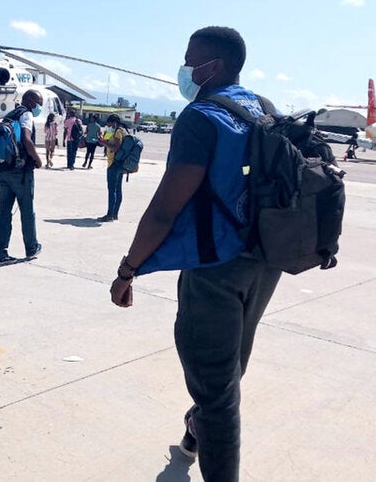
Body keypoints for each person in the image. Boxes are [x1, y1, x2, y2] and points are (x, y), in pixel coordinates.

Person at [109, 26, 282, 481]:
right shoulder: (264, 109)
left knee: (218, 394)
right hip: (264, 262)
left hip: (215, 270)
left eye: (191, 60)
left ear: (215, 66)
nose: (185, 69)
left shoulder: (201, 116)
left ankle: (205, 436)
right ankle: (193, 433)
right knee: (226, 373)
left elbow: (166, 208)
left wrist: (128, 270)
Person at [0, 89, 44, 263]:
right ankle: (31, 247)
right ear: (29, 101)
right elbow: (27, 139)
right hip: (20, 172)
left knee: (4, 211)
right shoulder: (26, 115)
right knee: (27, 210)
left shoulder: (9, 115)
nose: (39, 107)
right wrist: (37, 159)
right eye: (38, 103)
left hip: (3, 169)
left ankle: (0, 252)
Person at [97, 114, 128, 222]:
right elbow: (103, 142)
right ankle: (115, 214)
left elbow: (115, 148)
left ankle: (110, 215)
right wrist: (102, 139)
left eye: (109, 124)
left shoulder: (118, 132)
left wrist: (105, 143)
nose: (107, 126)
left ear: (114, 123)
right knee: (118, 190)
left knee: (112, 190)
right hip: (121, 164)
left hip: (114, 164)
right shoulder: (117, 131)